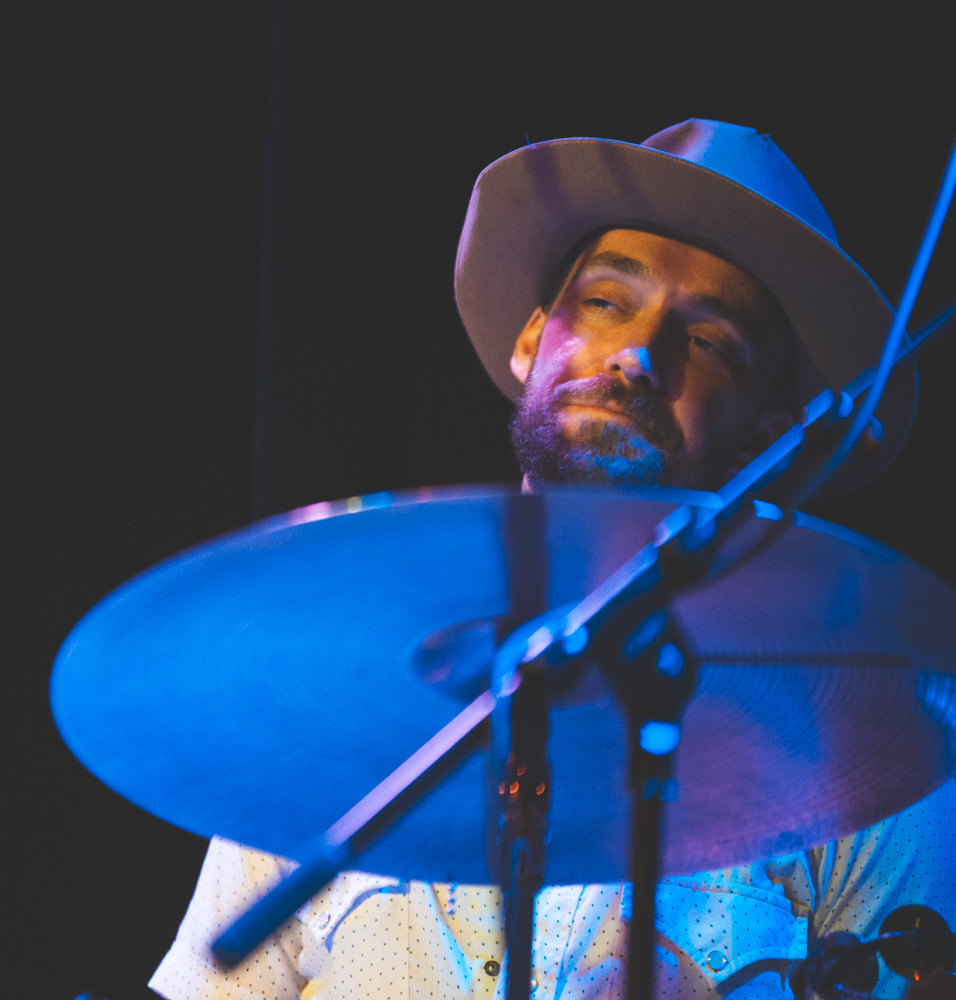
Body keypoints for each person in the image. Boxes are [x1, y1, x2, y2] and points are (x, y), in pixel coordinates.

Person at [149, 120, 956, 999]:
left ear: (766, 431)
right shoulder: (335, 694)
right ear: (534, 338)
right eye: (607, 302)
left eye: (709, 343)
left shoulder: (867, 746)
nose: (639, 355)